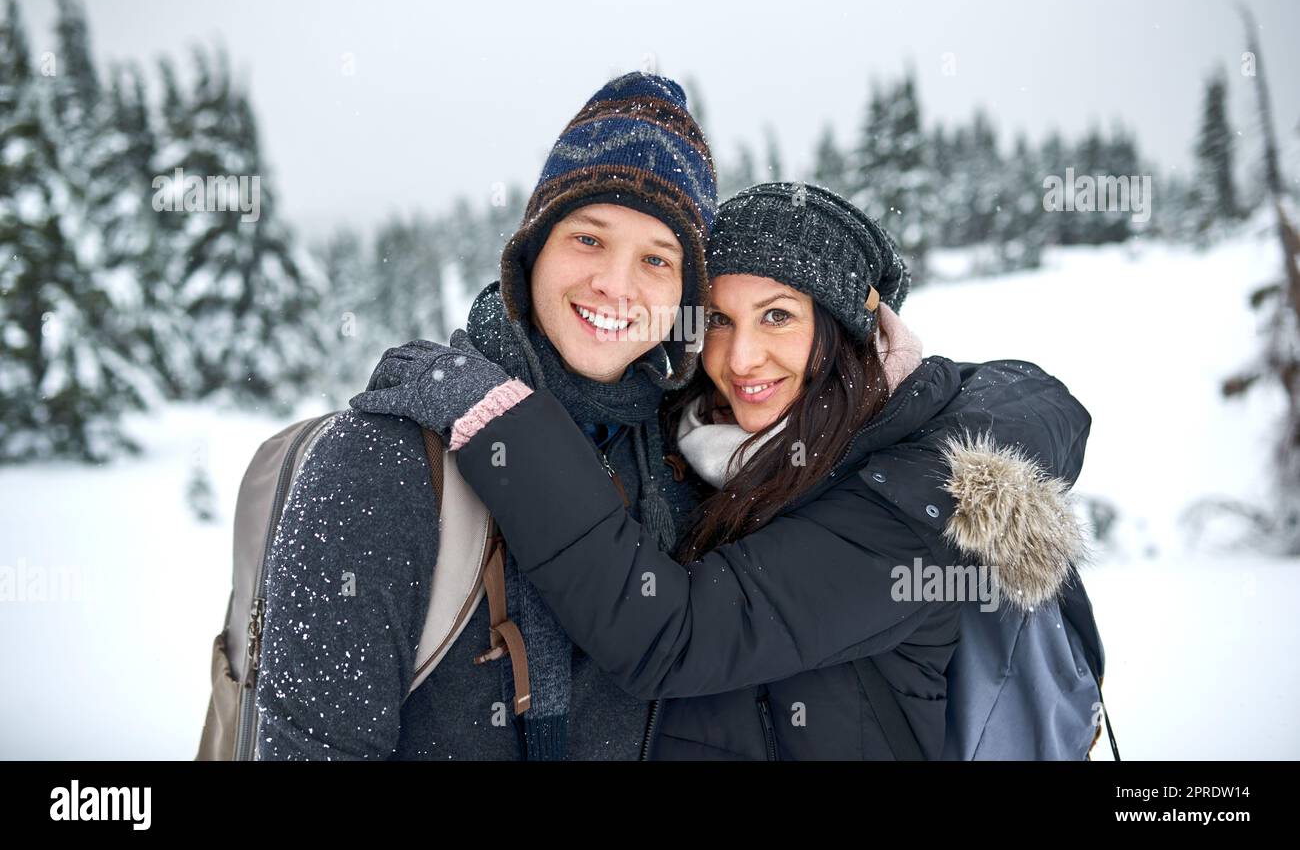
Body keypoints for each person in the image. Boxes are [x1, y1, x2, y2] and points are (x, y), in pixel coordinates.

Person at [354, 181, 1094, 759]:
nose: (741, 359)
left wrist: (501, 421)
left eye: (778, 316)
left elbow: (670, 634)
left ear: (845, 335)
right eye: (719, 320)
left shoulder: (909, 500)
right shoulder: (711, 454)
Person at [254, 71, 717, 759]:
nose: (615, 285)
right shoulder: (385, 461)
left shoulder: (686, 469)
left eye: (656, 257)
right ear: (530, 252)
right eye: (588, 238)